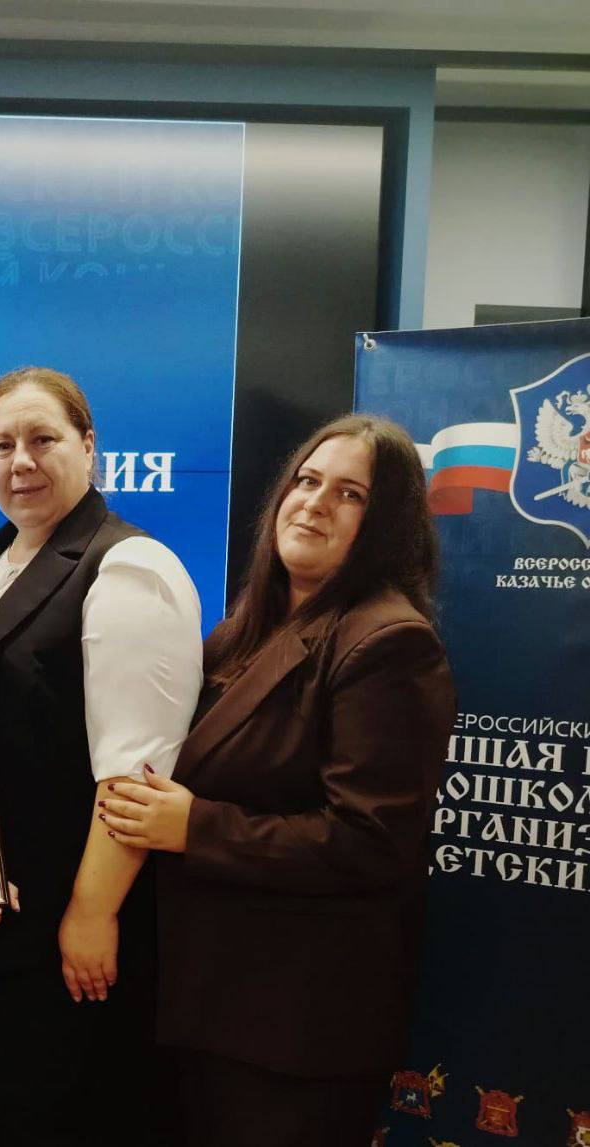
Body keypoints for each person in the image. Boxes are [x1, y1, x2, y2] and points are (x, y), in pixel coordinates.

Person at [99, 414, 456, 1147]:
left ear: (388, 523)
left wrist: (195, 827)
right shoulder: (248, 625)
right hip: (211, 1007)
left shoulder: (389, 641)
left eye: (350, 494)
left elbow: (369, 841)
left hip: (296, 1032)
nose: (316, 503)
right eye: (308, 480)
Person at [0, 366, 203, 1146]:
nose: (21, 461)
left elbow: (133, 780)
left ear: (88, 445)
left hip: (63, 936)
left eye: (43, 438)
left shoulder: (129, 569)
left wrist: (90, 913)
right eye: (0, 444)